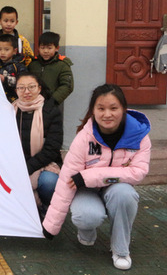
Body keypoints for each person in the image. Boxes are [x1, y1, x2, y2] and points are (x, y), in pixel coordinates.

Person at [42, 84, 151, 271]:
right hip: (87, 190)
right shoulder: (84, 138)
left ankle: (121, 250)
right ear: (93, 110)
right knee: (86, 216)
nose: (107, 114)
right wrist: (51, 226)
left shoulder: (139, 136)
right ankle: (87, 230)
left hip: (117, 187)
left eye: (113, 108)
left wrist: (89, 176)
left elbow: (138, 172)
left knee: (125, 195)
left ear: (124, 109)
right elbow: (66, 181)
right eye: (101, 108)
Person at [13, 72, 63, 216]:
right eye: (21, 88)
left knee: (49, 182)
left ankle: (47, 208)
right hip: (16, 164)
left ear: (39, 88)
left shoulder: (50, 111)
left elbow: (52, 149)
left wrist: (27, 168)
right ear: (16, 90)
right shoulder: (10, 111)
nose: (26, 91)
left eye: (31, 87)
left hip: (43, 164)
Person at [27, 31, 74, 105]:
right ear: (38, 48)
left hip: (52, 103)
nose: (45, 51)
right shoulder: (33, 64)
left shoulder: (62, 65)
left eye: (49, 48)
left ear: (57, 48)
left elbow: (67, 86)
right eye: (42, 48)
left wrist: (53, 100)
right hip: (32, 102)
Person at [0, 34, 27, 102]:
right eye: (0, 49)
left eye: (6, 50)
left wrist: (5, 79)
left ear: (14, 51)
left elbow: (23, 82)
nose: (2, 52)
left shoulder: (19, 66)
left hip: (15, 100)